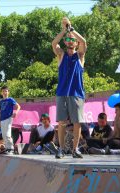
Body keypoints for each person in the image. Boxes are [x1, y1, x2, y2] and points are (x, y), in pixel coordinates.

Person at [52, 17, 87, 159]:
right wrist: (64, 31)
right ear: (66, 42)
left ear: (76, 42)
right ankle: (60, 149)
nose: (70, 41)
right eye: (68, 39)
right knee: (61, 123)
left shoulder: (80, 55)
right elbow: (54, 43)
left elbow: (83, 42)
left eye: (73, 39)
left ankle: (75, 149)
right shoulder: (61, 54)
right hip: (62, 93)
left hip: (77, 93)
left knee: (77, 123)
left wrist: (72, 30)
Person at [0, 86, 20, 154]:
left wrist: (16, 112)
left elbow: (18, 106)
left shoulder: (10, 99)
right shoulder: (1, 101)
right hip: (2, 119)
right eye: (3, 91)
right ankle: (7, 148)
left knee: (8, 134)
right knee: (4, 135)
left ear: (8, 92)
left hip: (8, 118)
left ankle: (11, 148)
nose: (5, 92)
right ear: (1, 92)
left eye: (6, 91)